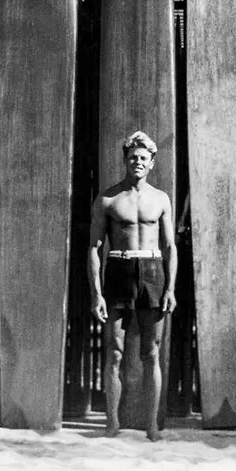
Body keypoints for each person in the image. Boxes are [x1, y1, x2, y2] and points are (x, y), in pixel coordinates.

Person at [88, 131, 177, 441]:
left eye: (143, 158)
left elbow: (170, 248)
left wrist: (170, 288)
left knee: (151, 353)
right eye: (132, 157)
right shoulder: (109, 198)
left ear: (151, 163)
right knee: (114, 353)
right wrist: (96, 293)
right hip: (119, 271)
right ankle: (112, 424)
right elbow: (93, 248)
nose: (137, 162)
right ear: (125, 160)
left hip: (153, 272)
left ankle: (152, 427)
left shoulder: (161, 198)